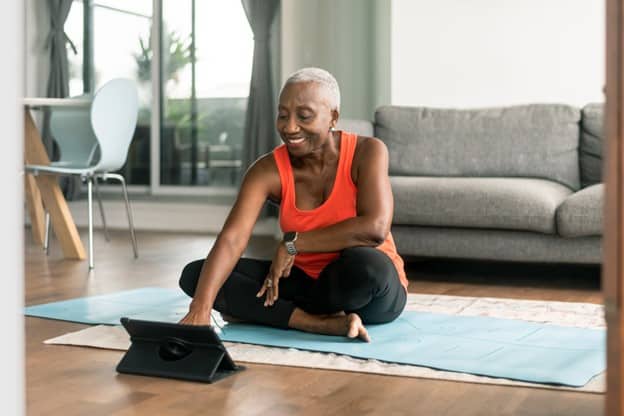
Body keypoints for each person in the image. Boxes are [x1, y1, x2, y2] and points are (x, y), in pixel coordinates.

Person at [178, 67, 408, 342]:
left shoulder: (367, 151)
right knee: (197, 276)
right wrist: (200, 310)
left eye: (304, 116)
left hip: (366, 289)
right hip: (303, 282)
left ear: (333, 116)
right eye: (283, 115)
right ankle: (314, 323)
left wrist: (293, 243)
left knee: (366, 265)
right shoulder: (267, 170)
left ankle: (268, 313)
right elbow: (233, 239)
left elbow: (375, 228)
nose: (289, 127)